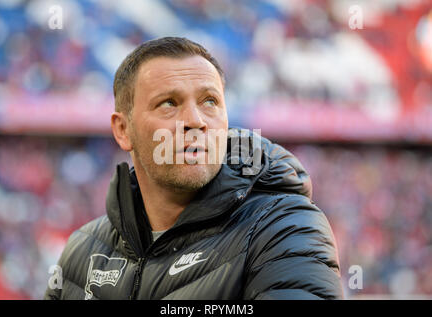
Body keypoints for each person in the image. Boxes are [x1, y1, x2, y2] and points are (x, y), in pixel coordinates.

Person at [44, 37, 343, 300]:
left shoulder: (285, 228)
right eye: (169, 103)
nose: (196, 120)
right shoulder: (82, 251)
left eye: (209, 101)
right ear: (123, 130)